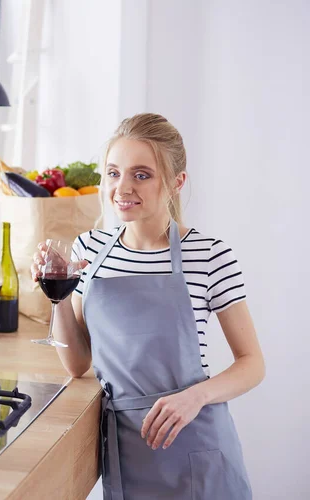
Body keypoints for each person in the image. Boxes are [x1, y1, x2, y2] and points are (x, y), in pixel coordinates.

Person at [31, 113, 264, 499]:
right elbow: (77, 363)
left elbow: (252, 363)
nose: (122, 188)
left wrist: (196, 396)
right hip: (125, 449)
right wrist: (56, 293)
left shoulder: (209, 255)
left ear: (176, 183)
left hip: (196, 443)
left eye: (142, 174)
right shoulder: (89, 249)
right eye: (113, 173)